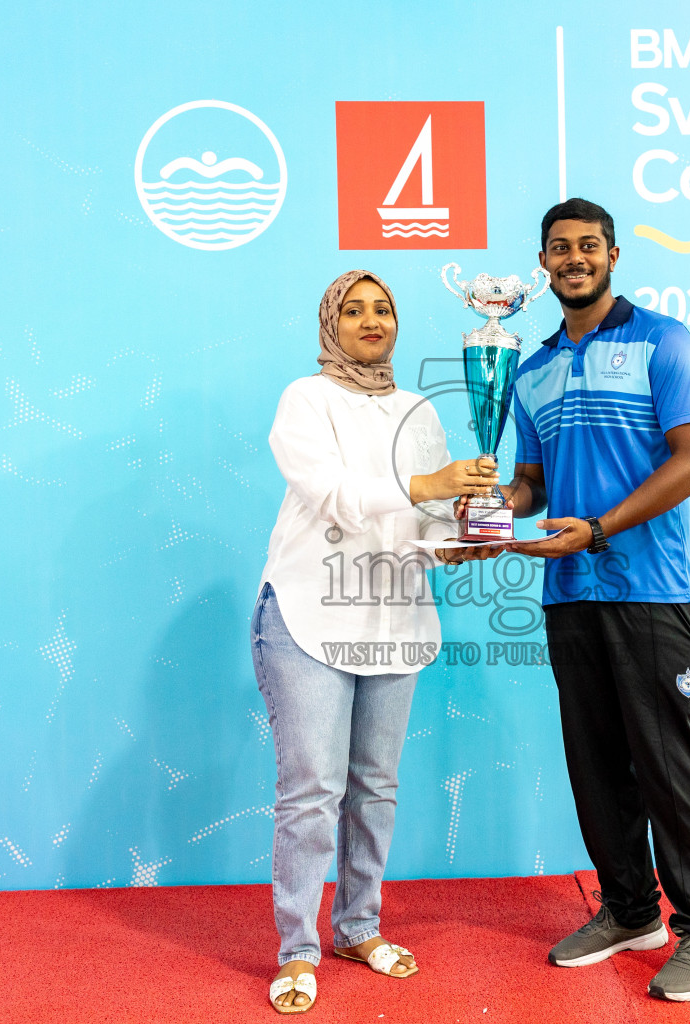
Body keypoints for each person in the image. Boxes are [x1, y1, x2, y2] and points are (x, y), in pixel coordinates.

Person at [489, 198, 690, 1002]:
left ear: (612, 255)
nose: (575, 258)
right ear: (542, 264)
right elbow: (531, 484)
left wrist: (598, 528)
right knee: (597, 768)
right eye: (560, 248)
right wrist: (491, 506)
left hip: (654, 590)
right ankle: (632, 912)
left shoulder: (663, 340)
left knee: (672, 768)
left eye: (588, 245)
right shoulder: (530, 370)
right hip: (569, 593)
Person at [253, 269, 497, 1013]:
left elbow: (425, 526)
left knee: (376, 787)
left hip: (394, 620)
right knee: (311, 792)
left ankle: (358, 926)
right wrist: (431, 486)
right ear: (331, 324)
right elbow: (333, 495)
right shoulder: (306, 399)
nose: (370, 320)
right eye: (353, 309)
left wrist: (464, 538)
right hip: (309, 614)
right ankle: (297, 949)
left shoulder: (418, 410)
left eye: (382, 308)